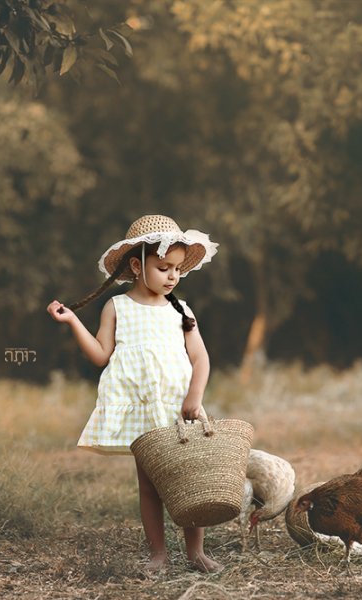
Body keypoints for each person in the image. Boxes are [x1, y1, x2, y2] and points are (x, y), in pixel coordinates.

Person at [46, 214, 221, 574]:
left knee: (189, 479)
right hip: (143, 410)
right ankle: (158, 553)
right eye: (163, 267)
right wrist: (72, 321)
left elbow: (201, 358)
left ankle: (195, 552)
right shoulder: (118, 307)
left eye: (177, 269)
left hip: (179, 409)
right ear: (137, 266)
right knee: (150, 486)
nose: (172, 275)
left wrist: (194, 397)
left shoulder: (181, 310)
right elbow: (100, 355)